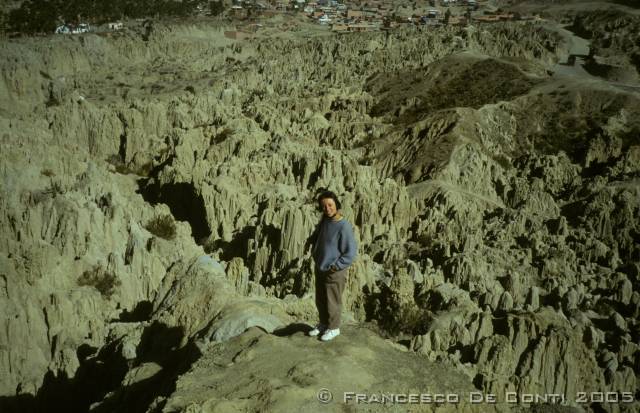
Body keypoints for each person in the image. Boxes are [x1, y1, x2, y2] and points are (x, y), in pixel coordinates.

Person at [308, 191, 357, 341]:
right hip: (321, 267)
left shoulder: (344, 226)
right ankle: (323, 323)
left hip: (334, 270)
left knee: (332, 300)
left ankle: (334, 328)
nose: (327, 208)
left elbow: (350, 252)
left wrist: (336, 266)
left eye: (330, 205)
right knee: (321, 298)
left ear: (336, 204)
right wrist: (310, 241)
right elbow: (318, 234)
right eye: (324, 206)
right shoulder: (325, 221)